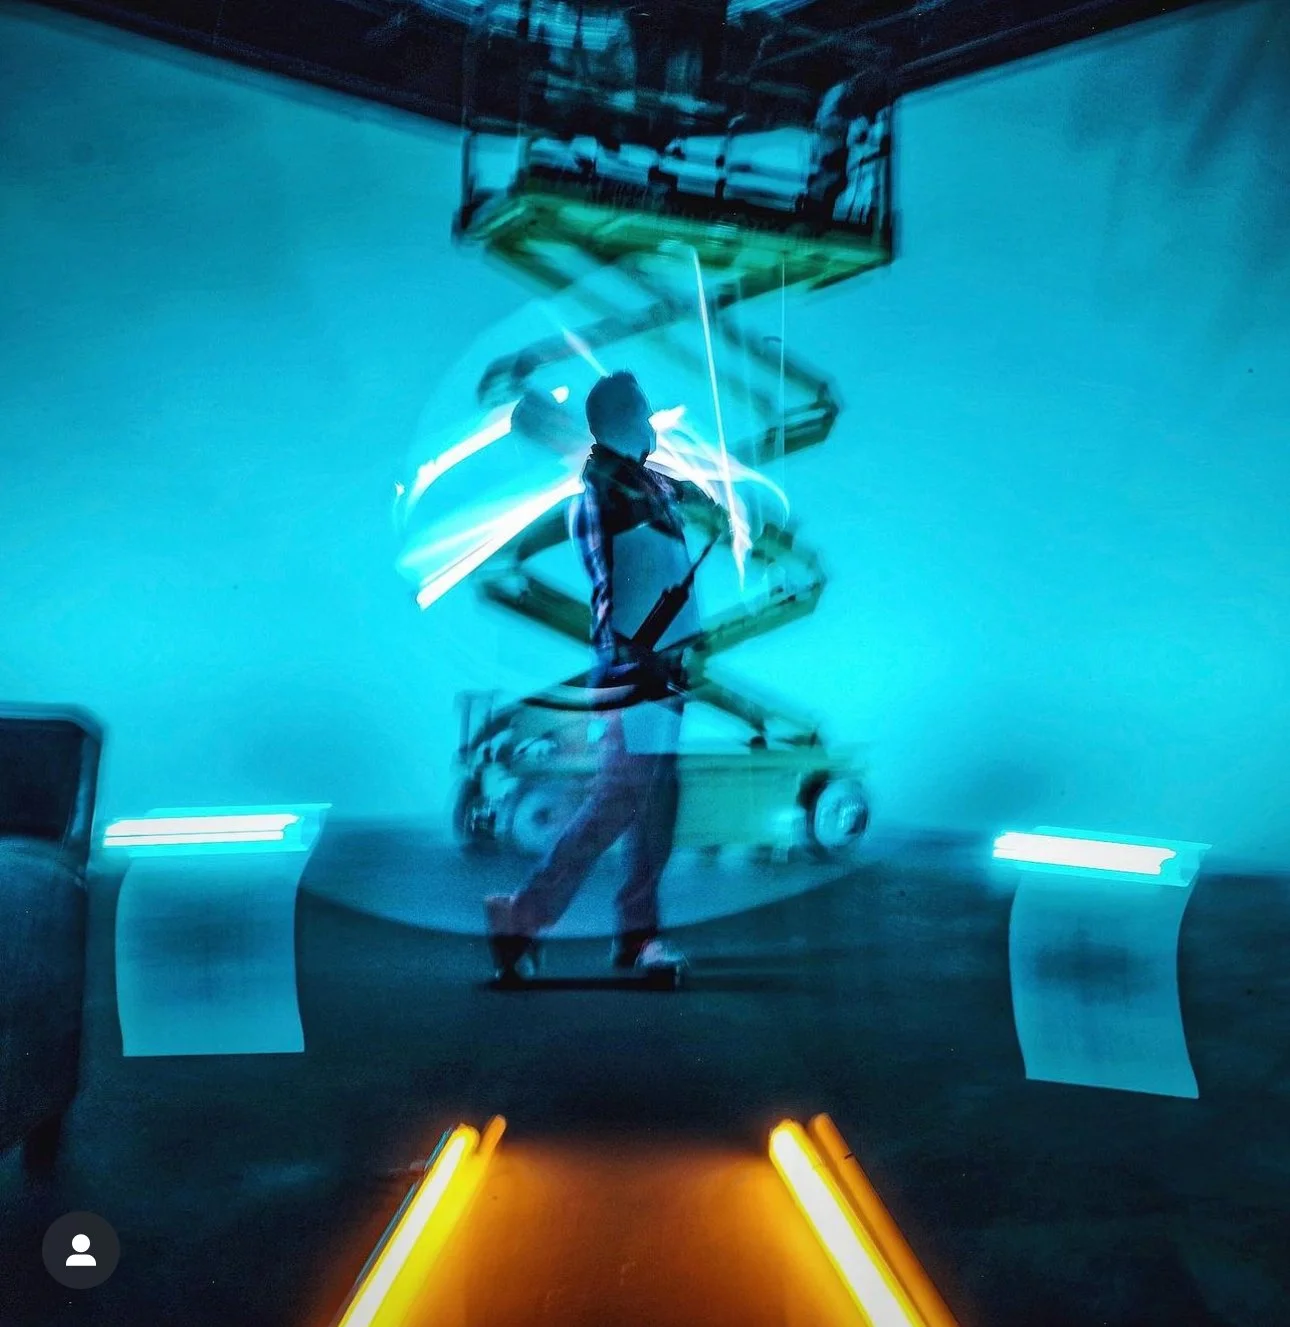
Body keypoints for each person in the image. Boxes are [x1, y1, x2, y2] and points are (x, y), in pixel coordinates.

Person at [484, 372, 701, 980]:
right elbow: (634, 571)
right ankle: (521, 918)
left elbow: (673, 498)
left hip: (659, 669)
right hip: (638, 670)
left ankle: (638, 933)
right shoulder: (610, 491)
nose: (655, 424)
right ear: (624, 422)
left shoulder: (637, 485)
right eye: (646, 414)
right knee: (620, 800)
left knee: (654, 803)